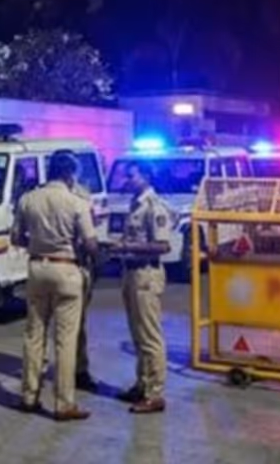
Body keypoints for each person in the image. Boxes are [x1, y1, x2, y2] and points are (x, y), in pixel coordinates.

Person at [14, 151, 98, 421]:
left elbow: (16, 237)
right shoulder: (76, 202)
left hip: (37, 268)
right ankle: (64, 403)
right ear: (70, 174)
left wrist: (38, 245)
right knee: (65, 341)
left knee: (34, 335)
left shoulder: (28, 199)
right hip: (66, 268)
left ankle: (29, 396)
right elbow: (90, 243)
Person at [112, 161, 172, 414]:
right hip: (132, 272)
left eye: (132, 176)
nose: (127, 180)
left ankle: (155, 393)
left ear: (146, 176)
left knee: (149, 336)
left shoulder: (153, 206)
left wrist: (127, 247)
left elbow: (162, 245)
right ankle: (143, 384)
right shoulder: (135, 204)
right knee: (137, 334)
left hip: (146, 274)